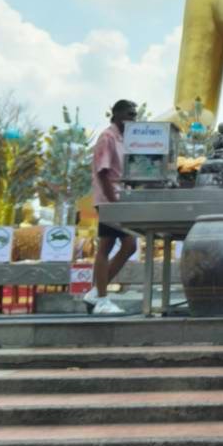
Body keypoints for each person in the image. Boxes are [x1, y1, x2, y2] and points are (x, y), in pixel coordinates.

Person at [86, 100, 138, 315]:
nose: (133, 118)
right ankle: (101, 298)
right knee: (111, 247)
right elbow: (103, 172)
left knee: (127, 245)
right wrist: (113, 203)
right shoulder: (107, 137)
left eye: (135, 115)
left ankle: (96, 292)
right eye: (129, 114)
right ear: (116, 115)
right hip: (110, 200)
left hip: (120, 199)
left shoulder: (124, 139)